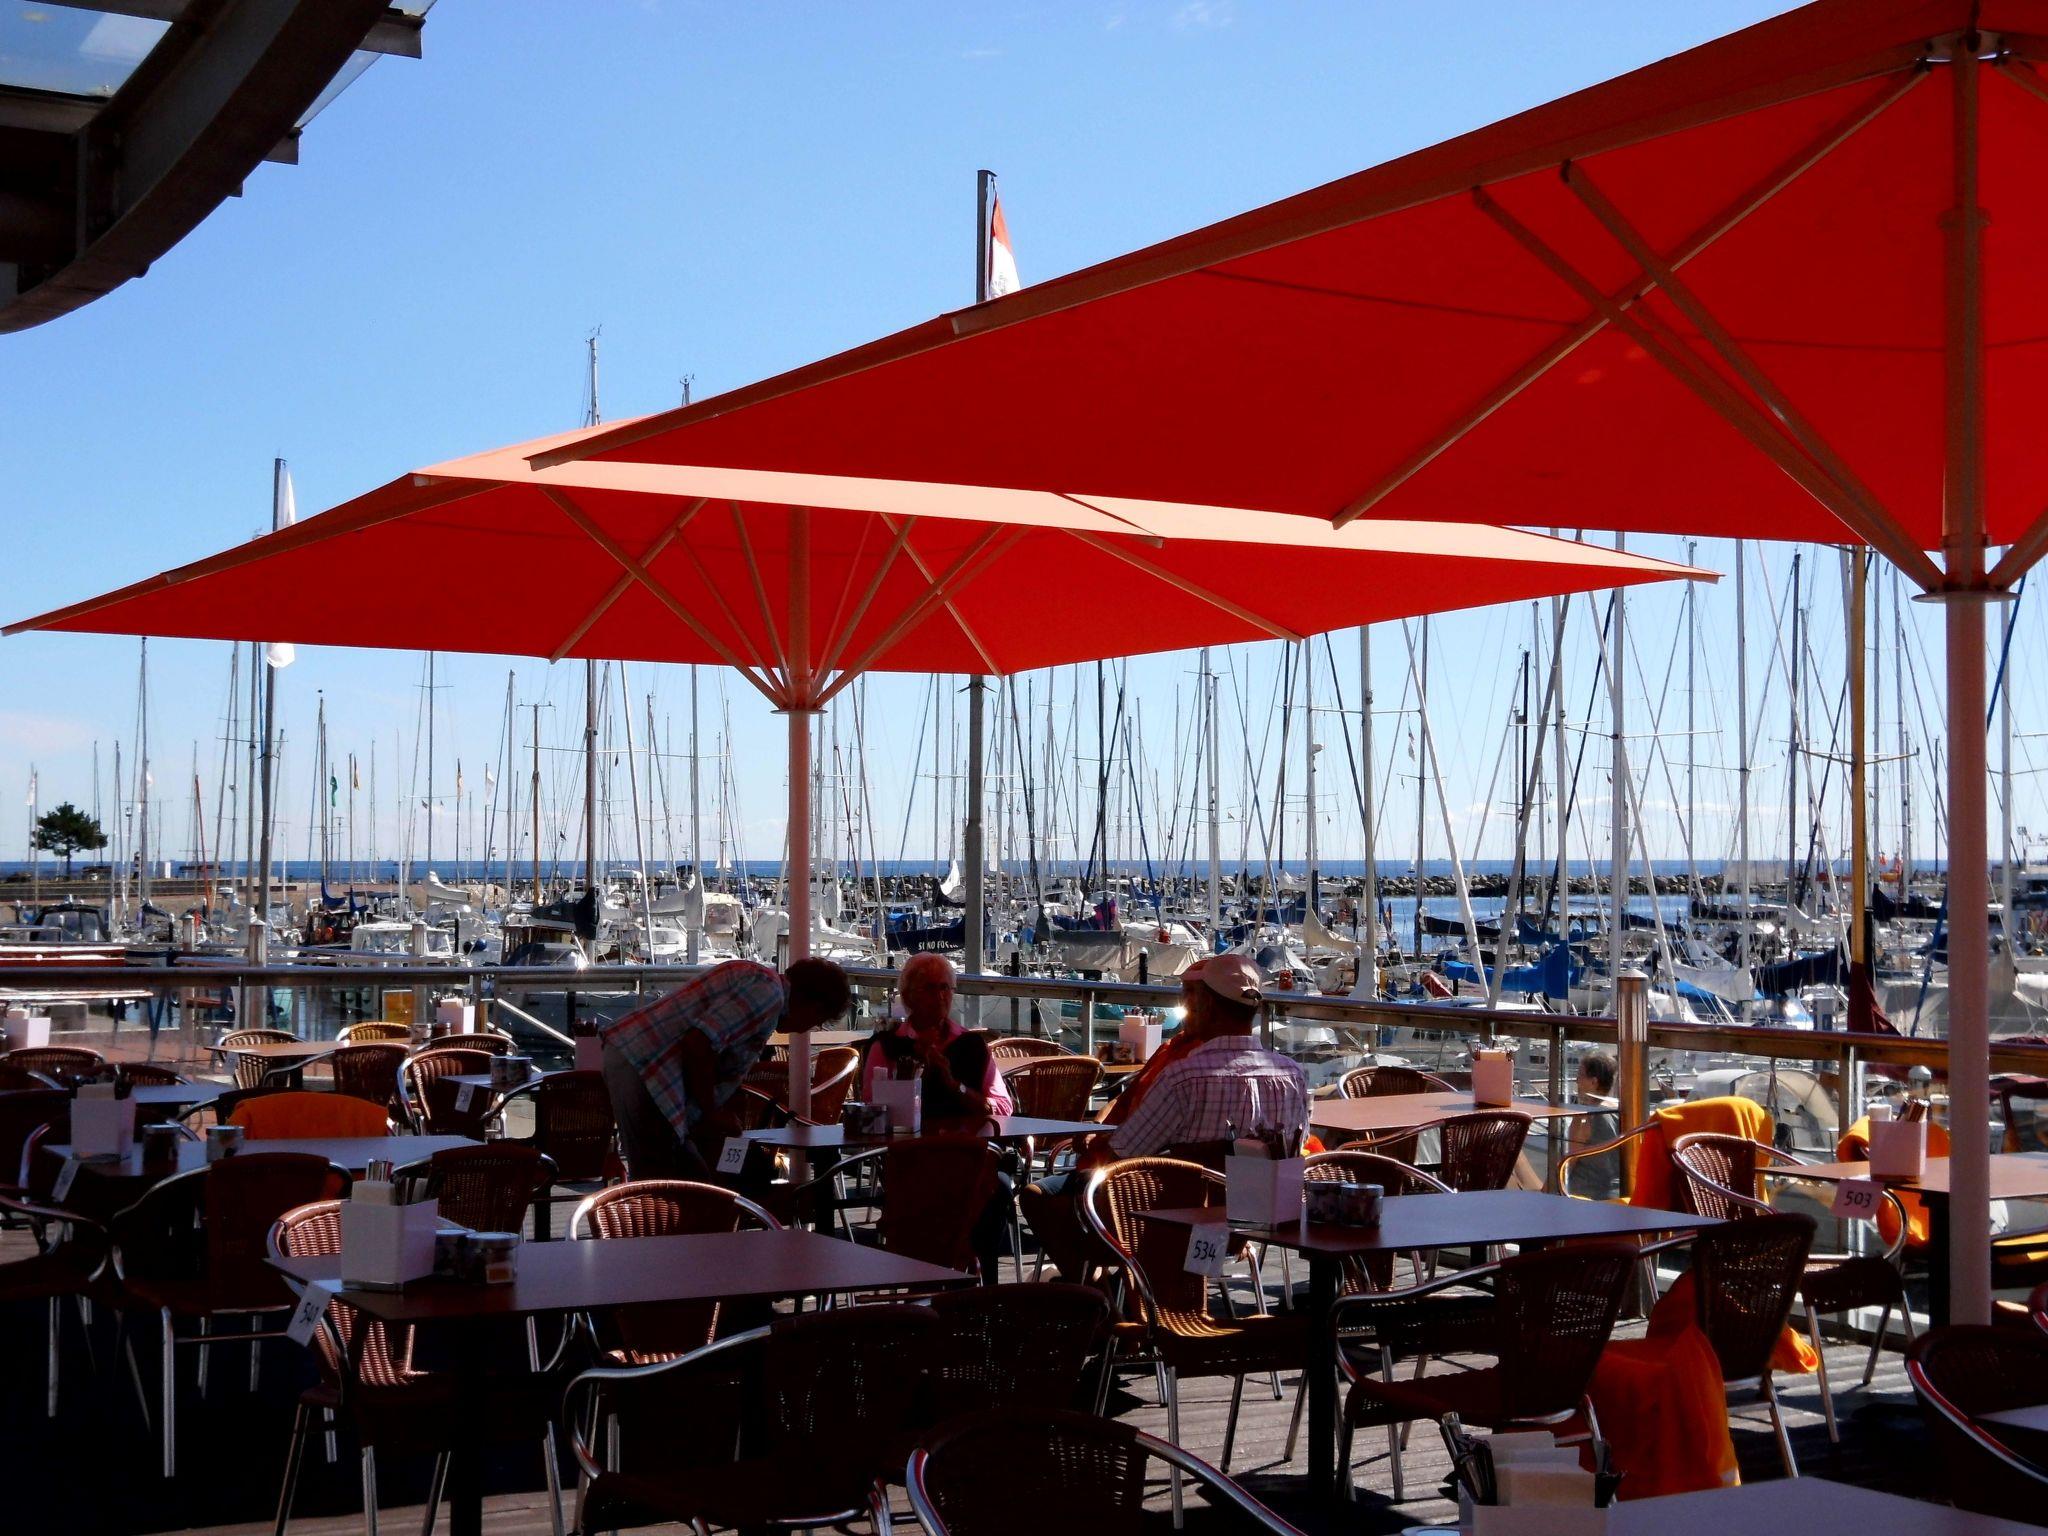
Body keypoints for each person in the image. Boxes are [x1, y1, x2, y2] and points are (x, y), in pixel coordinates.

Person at [600, 957, 851, 1178]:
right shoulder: (767, 994)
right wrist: (712, 1113)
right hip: (650, 1067)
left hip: (641, 1061)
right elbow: (699, 1043)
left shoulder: (760, 983)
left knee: (680, 1177)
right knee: (666, 1182)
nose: (806, 1030)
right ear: (814, 1006)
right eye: (817, 1022)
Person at [1108, 953, 1308, 1159]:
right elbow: (1297, 1145)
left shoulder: (1181, 1079)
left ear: (1208, 1005)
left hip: (1189, 1182)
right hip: (1267, 1182)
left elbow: (1123, 1153)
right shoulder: (1293, 1075)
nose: (1189, 1004)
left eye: (1193, 997)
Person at [859, 952, 1014, 1121]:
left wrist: (956, 1087)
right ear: (908, 996)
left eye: (944, 988)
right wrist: (912, 1077)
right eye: (929, 988)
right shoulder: (887, 1047)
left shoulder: (972, 1045)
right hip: (907, 1138)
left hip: (965, 1138)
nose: (939, 996)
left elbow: (1003, 1107)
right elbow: (871, 1113)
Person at [1565, 1050, 1622, 1199]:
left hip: (1584, 1197)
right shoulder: (1620, 1111)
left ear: (1593, 1082)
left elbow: (1568, 1163)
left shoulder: (1585, 1118)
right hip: (1616, 1195)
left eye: (1580, 1075)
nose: (1576, 1081)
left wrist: (1544, 1193)